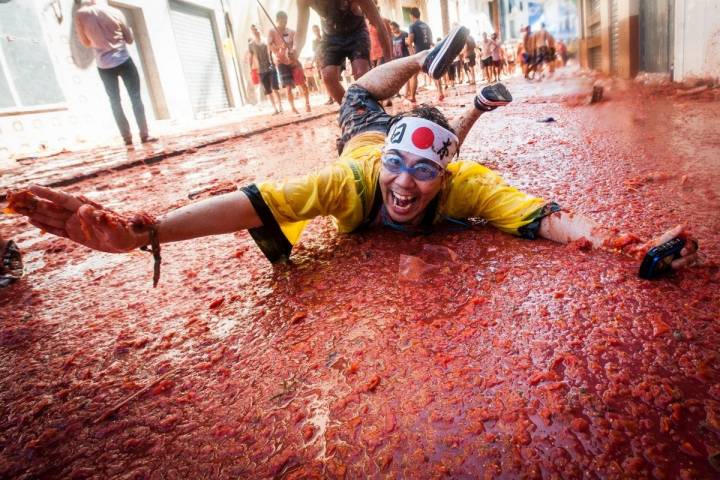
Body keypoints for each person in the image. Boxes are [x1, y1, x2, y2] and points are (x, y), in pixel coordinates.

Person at [7, 26, 699, 286]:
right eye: (401, 169)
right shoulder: (356, 177)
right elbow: (253, 202)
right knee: (366, 88)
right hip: (366, 125)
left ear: (447, 176)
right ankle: (414, 60)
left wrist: (617, 243)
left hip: (436, 139)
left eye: (424, 175)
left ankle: (457, 105)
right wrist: (147, 231)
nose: (403, 186)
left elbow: (548, 218)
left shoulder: (464, 184)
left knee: (440, 140)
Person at [74, 0, 157, 146]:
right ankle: (145, 134)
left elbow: (85, 42)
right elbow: (130, 39)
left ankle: (127, 138)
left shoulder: (80, 15)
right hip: (124, 60)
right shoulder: (115, 12)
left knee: (114, 101)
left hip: (104, 65)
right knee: (135, 98)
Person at [294, 0, 392, 105]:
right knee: (328, 77)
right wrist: (295, 50)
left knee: (361, 74)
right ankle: (351, 109)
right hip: (330, 36)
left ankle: (373, 109)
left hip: (357, 32)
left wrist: (389, 61)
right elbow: (301, 29)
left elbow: (378, 23)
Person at [268, 11, 311, 114]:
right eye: (282, 20)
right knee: (288, 86)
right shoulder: (272, 31)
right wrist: (278, 48)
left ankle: (307, 104)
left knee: (302, 83)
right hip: (281, 62)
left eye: (285, 20)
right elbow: (270, 45)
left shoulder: (292, 32)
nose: (284, 22)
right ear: (277, 20)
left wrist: (294, 51)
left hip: (293, 60)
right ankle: (293, 108)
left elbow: (297, 44)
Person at [407, 7, 443, 103]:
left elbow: (410, 40)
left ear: (411, 15)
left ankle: (413, 96)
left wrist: (410, 50)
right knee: (434, 73)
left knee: (413, 76)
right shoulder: (426, 26)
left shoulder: (412, 26)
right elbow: (431, 41)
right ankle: (440, 92)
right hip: (429, 53)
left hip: (419, 54)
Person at [248, 24, 282, 115]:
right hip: (261, 70)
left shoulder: (266, 40)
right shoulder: (251, 45)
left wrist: (277, 57)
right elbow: (250, 57)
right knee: (268, 91)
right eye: (253, 30)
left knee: (275, 87)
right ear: (251, 32)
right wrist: (251, 68)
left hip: (271, 66)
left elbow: (273, 50)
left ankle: (280, 106)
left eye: (256, 28)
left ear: (259, 29)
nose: (255, 30)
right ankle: (275, 108)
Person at [311, 24, 334, 105]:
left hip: (328, 60)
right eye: (314, 30)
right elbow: (316, 53)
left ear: (319, 30)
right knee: (325, 80)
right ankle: (330, 97)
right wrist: (314, 63)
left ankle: (332, 96)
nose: (316, 31)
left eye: (317, 30)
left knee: (332, 78)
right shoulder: (314, 42)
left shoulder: (325, 38)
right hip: (320, 62)